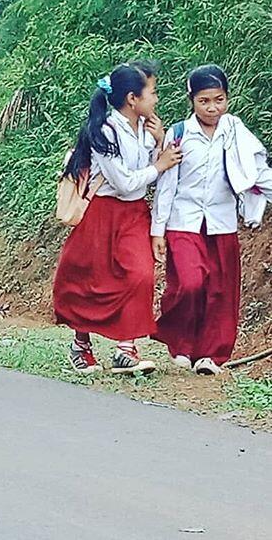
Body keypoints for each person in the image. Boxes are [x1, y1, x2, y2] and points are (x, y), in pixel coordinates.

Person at [53, 62, 182, 374]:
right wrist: (159, 166)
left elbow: (151, 172)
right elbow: (123, 181)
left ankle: (126, 347)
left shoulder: (147, 129)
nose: (157, 99)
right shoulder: (104, 131)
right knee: (90, 280)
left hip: (134, 212)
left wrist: (161, 140)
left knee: (140, 274)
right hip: (102, 211)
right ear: (132, 99)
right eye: (152, 92)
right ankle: (80, 345)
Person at [151, 65, 272, 374]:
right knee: (189, 283)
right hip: (184, 221)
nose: (212, 107)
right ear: (191, 100)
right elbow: (166, 185)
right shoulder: (179, 135)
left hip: (222, 221)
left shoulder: (235, 132)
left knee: (220, 290)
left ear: (227, 98)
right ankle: (181, 344)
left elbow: (257, 171)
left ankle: (210, 356)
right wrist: (158, 230)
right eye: (204, 101)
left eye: (219, 99)